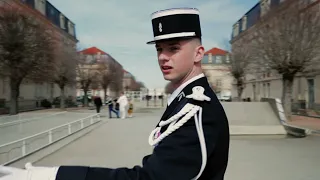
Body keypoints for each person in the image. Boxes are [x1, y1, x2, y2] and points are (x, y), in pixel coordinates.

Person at [0, 7, 230, 180]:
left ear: (199, 53)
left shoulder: (197, 108)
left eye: (174, 48)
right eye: (159, 49)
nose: (162, 57)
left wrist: (53, 176)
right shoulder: (185, 100)